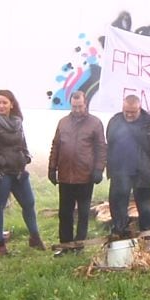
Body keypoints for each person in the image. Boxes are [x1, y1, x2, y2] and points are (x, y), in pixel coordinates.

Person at [0, 90, 46, 255]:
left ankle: (35, 237)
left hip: (18, 170)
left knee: (29, 203)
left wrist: (26, 156)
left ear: (12, 104)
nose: (1, 106)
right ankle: (0, 244)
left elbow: (23, 143)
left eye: (4, 102)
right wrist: (1, 160)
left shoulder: (18, 122)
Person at [48, 90, 107, 256]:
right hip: (66, 176)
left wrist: (98, 169)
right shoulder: (63, 122)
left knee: (83, 213)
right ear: (70, 105)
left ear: (85, 103)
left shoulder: (95, 123)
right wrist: (52, 169)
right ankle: (65, 246)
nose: (77, 110)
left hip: (85, 176)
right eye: (74, 106)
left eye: (80, 106)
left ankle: (79, 246)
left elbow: (101, 148)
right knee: (64, 213)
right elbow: (56, 146)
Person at [106, 95, 150, 239]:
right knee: (117, 204)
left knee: (145, 206)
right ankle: (120, 233)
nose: (129, 114)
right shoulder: (115, 121)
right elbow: (109, 140)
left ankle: (147, 236)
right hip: (119, 172)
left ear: (139, 108)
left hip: (142, 172)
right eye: (126, 111)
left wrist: (148, 158)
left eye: (132, 112)